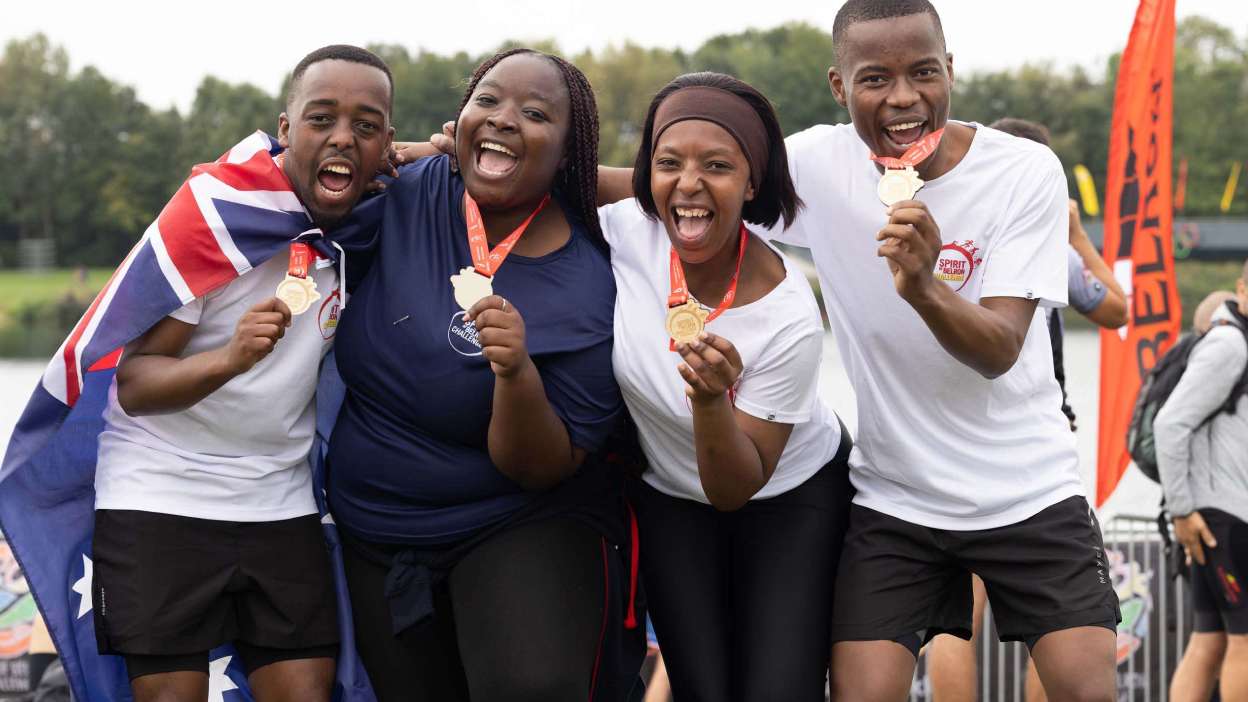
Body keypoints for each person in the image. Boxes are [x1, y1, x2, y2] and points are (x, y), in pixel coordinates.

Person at [742, 2, 1120, 700]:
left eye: (923, 72)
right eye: (875, 79)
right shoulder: (817, 164)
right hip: (896, 499)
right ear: (838, 86)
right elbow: (686, 183)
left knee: (1084, 690)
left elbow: (1000, 347)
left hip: (1029, 491)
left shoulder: (1023, 171)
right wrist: (549, 172)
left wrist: (922, 286)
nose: (904, 98)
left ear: (950, 69)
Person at [325, 48, 641, 701]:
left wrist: (516, 373)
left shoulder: (588, 287)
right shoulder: (408, 191)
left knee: (531, 688)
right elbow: (303, 191)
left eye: (536, 114)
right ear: (459, 119)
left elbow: (542, 466)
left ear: (568, 150)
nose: (502, 119)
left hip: (515, 518)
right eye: (487, 101)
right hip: (375, 527)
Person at [90, 45, 394, 702]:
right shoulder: (215, 215)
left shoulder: (366, 219)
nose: (343, 137)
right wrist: (230, 359)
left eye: (366, 127)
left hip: (278, 498)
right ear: (285, 129)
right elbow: (136, 383)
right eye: (321, 119)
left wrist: (435, 147)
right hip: (161, 491)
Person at [599, 72, 852, 701]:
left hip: (790, 499)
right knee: (701, 690)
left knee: (778, 691)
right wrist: (428, 153)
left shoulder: (787, 313)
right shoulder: (628, 229)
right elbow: (543, 171)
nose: (689, 183)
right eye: (669, 164)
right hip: (670, 498)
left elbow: (736, 487)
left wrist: (710, 401)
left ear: (751, 182)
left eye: (717, 166)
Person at [926, 116, 1130, 702]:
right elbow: (1115, 309)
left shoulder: (953, 241)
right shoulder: (1042, 239)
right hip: (1029, 446)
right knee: (1056, 615)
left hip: (950, 437)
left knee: (957, 612)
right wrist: (1076, 234)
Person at [1157, 259, 1248, 702]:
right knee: (1244, 644)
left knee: (1209, 641)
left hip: (1216, 515)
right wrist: (1181, 510)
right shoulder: (1230, 343)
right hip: (1224, 518)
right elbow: (1170, 423)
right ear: (1241, 289)